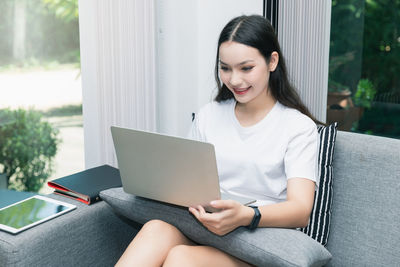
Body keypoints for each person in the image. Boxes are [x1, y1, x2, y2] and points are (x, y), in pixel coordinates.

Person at [116, 14, 319, 267]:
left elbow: (301, 210)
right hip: (208, 231)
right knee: (155, 229)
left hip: (262, 240)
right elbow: (186, 181)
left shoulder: (298, 127)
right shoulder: (209, 115)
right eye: (225, 68)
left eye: (246, 68)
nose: (234, 80)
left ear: (272, 61)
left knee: (181, 259)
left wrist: (246, 215)